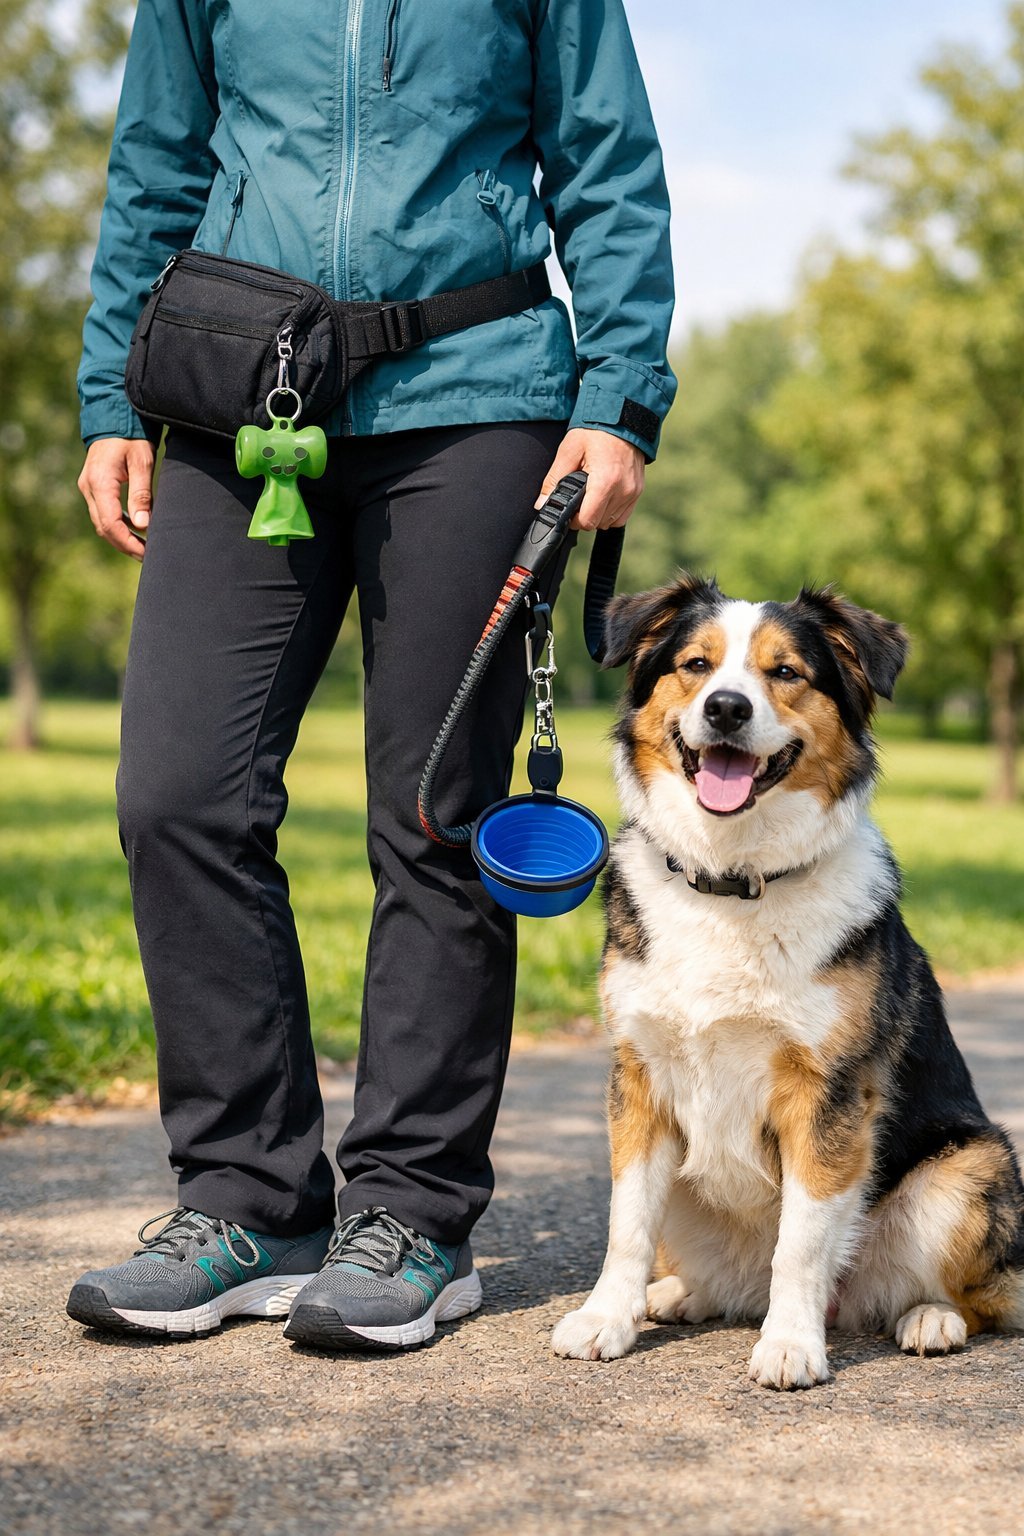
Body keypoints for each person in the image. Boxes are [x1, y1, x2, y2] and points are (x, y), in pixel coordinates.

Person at [68, 0, 676, 1351]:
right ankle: (248, 1200)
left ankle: (412, 1213)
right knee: (178, 795)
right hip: (238, 397)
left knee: (432, 813)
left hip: (476, 391)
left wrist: (619, 394)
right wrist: (114, 393)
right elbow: (156, 161)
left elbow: (607, 159)